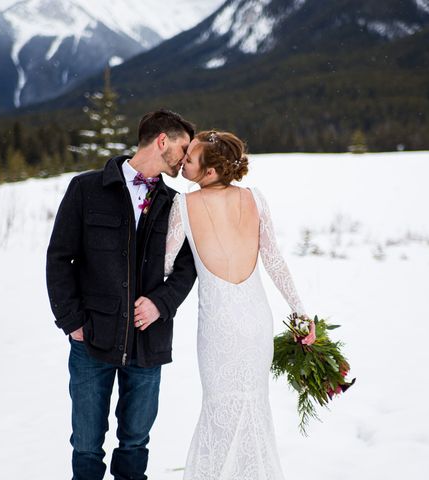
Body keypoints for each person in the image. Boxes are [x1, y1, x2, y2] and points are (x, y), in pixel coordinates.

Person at [46, 109, 197, 480]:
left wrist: (161, 303)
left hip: (149, 343)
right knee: (85, 445)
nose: (185, 158)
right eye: (182, 148)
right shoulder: (86, 189)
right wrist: (72, 322)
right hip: (91, 339)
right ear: (162, 141)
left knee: (135, 443)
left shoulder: (177, 204)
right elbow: (59, 259)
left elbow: (187, 267)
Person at [159, 130, 315, 480]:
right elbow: (274, 260)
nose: (183, 163)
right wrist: (300, 311)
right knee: (255, 409)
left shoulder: (183, 205)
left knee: (218, 411)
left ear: (210, 172)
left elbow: (166, 265)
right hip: (256, 323)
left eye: (190, 160)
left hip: (219, 328)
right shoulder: (255, 199)